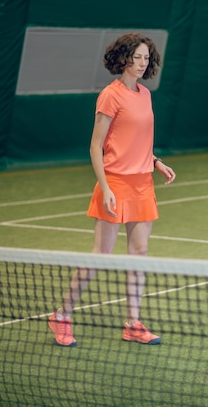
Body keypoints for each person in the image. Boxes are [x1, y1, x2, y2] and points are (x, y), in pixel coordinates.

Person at [48, 33, 176, 347]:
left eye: (146, 58)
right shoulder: (110, 95)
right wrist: (105, 187)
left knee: (139, 254)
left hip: (143, 184)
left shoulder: (145, 94)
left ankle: (133, 323)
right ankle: (62, 315)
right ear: (123, 59)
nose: (142, 63)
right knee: (101, 255)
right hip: (115, 184)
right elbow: (95, 146)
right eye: (136, 57)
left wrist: (155, 160)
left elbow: (136, 139)